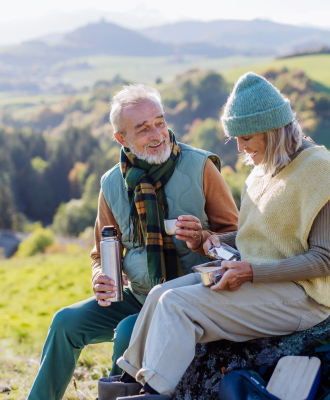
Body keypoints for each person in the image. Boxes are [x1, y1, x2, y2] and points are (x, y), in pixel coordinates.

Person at [114, 72, 330, 399]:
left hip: (303, 298)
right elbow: (257, 236)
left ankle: (155, 393)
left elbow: (322, 262)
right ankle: (126, 383)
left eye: (246, 138)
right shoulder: (266, 168)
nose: (240, 147)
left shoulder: (319, 170)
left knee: (177, 305)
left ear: (272, 130)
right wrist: (211, 239)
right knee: (161, 294)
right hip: (264, 282)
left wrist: (251, 272)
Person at [27, 84, 239, 400]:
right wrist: (100, 276)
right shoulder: (112, 184)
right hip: (138, 295)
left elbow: (237, 238)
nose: (158, 134)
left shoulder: (201, 166)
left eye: (160, 121)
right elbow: (101, 252)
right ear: (122, 139)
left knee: (127, 330)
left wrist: (203, 239)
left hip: (190, 298)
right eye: (143, 129)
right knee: (65, 322)